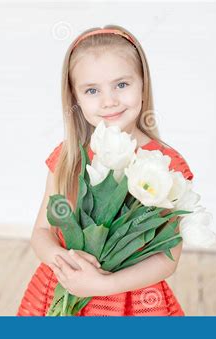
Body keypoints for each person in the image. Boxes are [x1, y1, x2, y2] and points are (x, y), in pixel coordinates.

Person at [17, 25, 194, 316]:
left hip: (133, 302)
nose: (109, 100)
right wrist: (63, 261)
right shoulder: (67, 158)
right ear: (75, 97)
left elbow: (167, 259)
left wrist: (101, 286)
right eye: (92, 90)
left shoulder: (166, 167)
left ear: (143, 85)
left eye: (121, 85)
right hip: (62, 288)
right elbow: (41, 231)